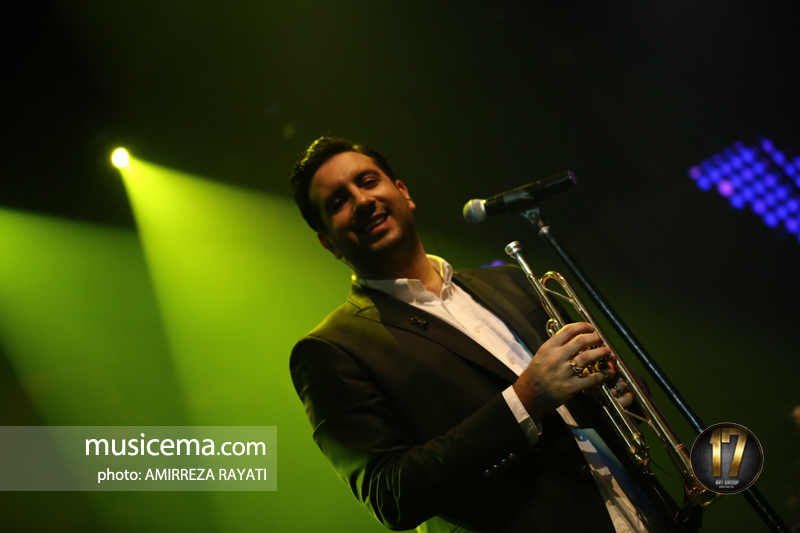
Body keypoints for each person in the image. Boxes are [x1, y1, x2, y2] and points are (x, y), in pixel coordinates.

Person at [289, 137, 685, 533]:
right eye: (338, 202)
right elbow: (390, 494)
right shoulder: (330, 350)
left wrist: (615, 390)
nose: (361, 201)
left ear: (404, 192)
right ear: (327, 242)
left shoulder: (510, 281)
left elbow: (602, 393)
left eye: (368, 181)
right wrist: (524, 400)